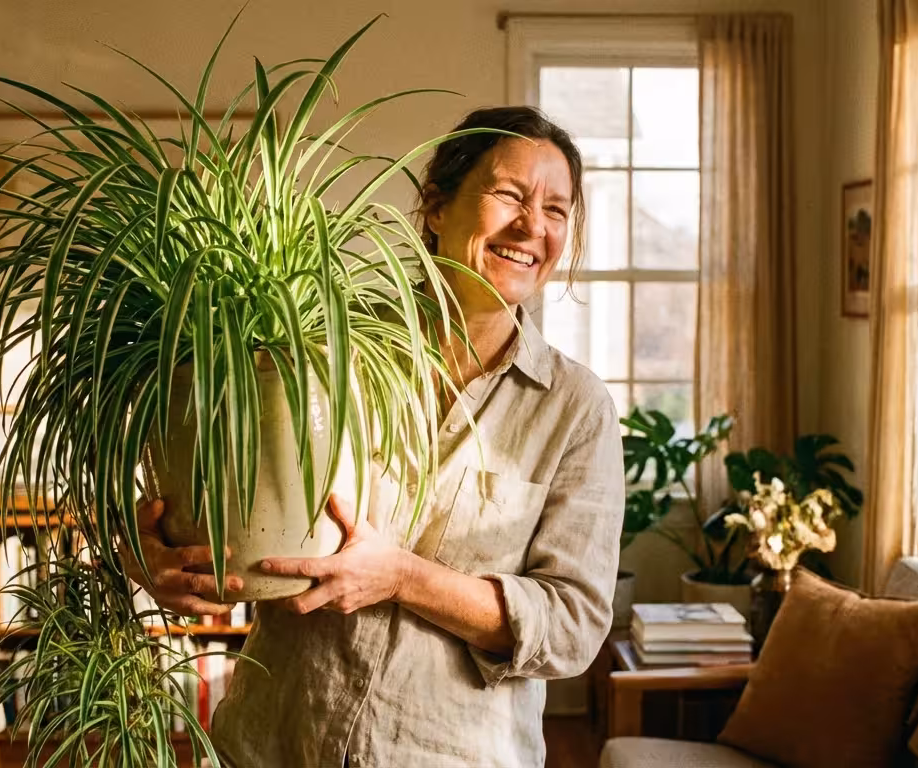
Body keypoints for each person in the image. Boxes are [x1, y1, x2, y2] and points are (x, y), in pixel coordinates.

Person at [130, 106, 624, 767]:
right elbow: (208, 500)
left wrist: (402, 579)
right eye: (510, 194)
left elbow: (571, 626)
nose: (533, 226)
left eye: (557, 209)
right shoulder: (311, 350)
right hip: (276, 743)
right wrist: (155, 551)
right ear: (436, 206)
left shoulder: (575, 408)